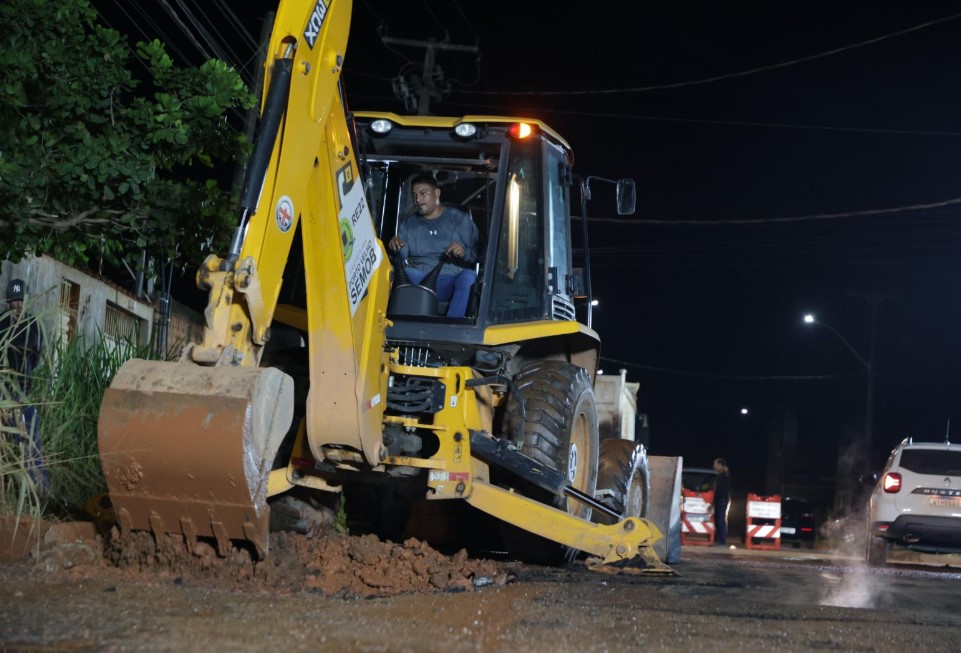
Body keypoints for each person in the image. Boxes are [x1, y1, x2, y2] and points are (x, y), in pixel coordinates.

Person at [388, 173, 479, 318]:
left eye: (423, 193)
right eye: (414, 195)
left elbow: (478, 253)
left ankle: (452, 326)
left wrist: (463, 253)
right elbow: (401, 254)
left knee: (468, 276)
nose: (417, 200)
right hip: (421, 281)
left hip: (451, 281)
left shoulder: (460, 220)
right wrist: (395, 247)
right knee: (403, 273)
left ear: (437, 193)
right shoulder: (409, 225)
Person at [0, 278, 48, 493]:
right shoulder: (1, 325)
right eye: (14, 301)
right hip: (3, 395)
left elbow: (35, 359)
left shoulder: (33, 324)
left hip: (23, 395)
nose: (18, 305)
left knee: (30, 438)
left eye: (21, 300)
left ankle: (39, 488)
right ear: (8, 302)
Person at [712, 457, 730, 546]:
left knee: (720, 520)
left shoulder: (724, 474)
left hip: (722, 500)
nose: (714, 466)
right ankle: (719, 539)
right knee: (717, 519)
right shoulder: (719, 476)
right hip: (718, 500)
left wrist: (725, 470)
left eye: (715, 464)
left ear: (720, 465)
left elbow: (727, 475)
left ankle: (722, 541)